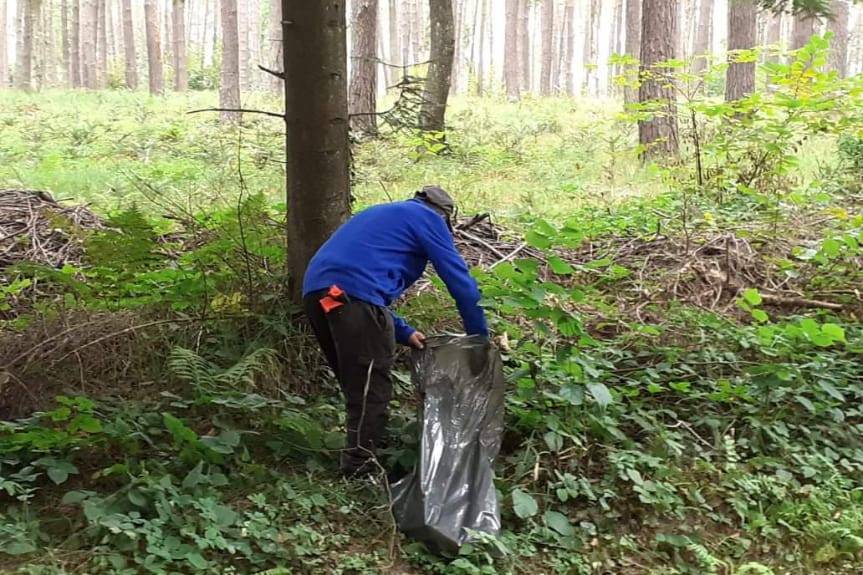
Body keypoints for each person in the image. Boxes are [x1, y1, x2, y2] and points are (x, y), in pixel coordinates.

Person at [303, 186, 489, 476]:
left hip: (319, 295)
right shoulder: (428, 219)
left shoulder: (383, 213)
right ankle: (358, 471)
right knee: (371, 389)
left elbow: (357, 277)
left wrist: (404, 331)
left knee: (357, 384)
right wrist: (480, 339)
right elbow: (461, 283)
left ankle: (365, 450)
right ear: (445, 217)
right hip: (353, 297)